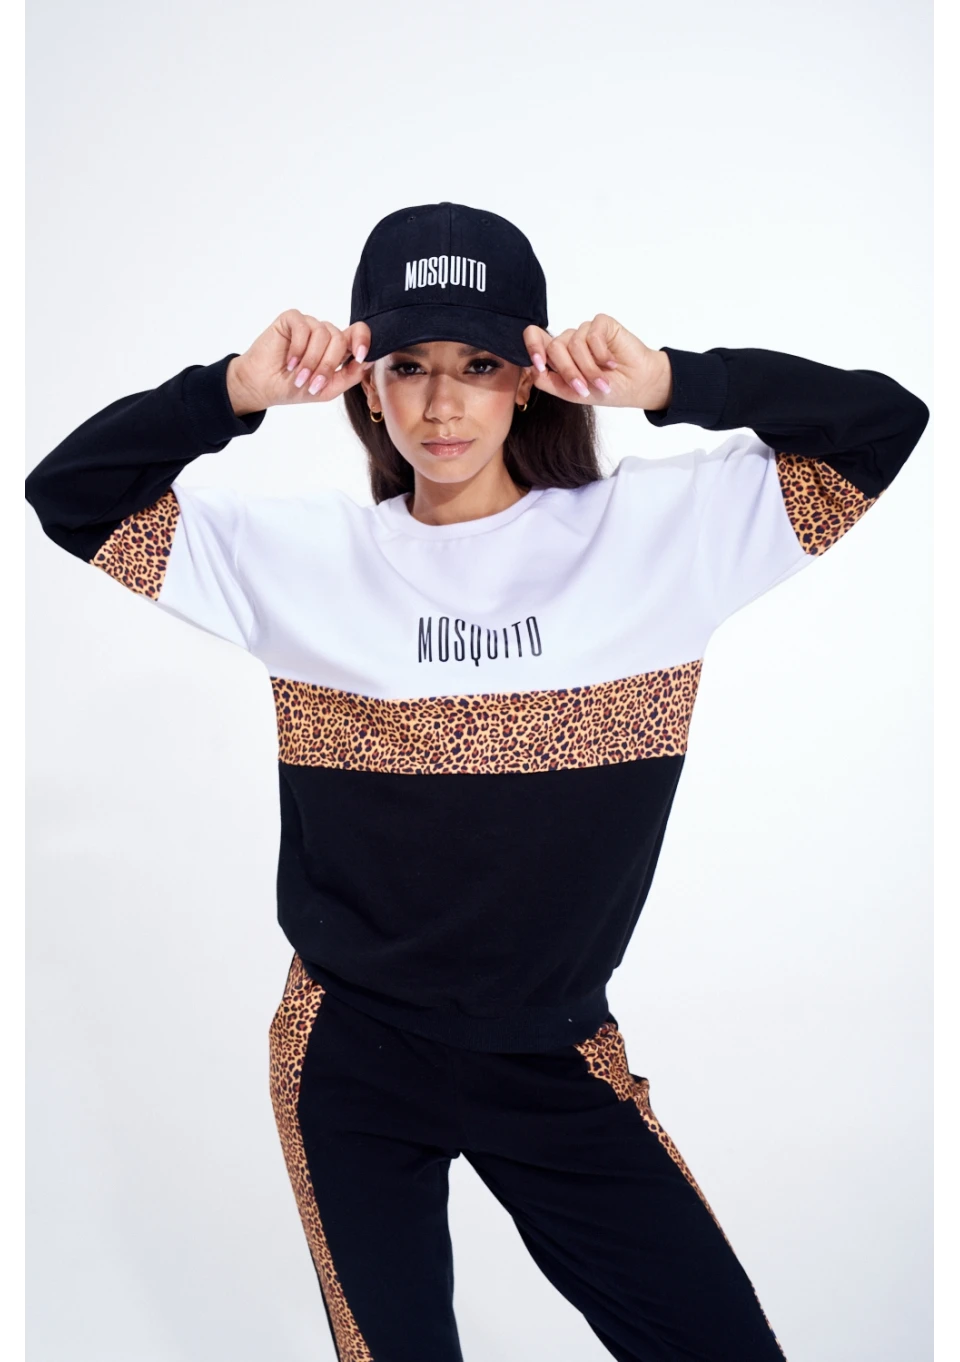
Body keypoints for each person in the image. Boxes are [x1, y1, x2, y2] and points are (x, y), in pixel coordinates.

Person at [23, 201, 929, 1362]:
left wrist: (671, 380)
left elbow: (881, 426)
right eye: (408, 366)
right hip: (352, 1058)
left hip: (554, 1059)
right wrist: (233, 391)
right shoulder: (301, 562)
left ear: (532, 377)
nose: (442, 405)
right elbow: (71, 493)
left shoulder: (657, 538)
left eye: (480, 365)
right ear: (365, 381)